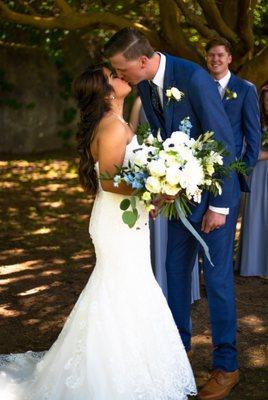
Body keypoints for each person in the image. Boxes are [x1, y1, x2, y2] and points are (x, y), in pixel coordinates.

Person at [0, 66, 196, 399]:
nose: (124, 76)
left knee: (127, 286)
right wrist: (156, 189)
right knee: (120, 287)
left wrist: (151, 189)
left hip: (126, 221)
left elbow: (122, 176)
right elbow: (108, 181)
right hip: (116, 225)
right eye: (116, 76)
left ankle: (134, 367)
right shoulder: (111, 128)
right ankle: (110, 376)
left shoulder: (117, 124)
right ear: (107, 92)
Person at [105, 27, 241, 400]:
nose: (121, 78)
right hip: (178, 199)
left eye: (122, 70)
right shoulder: (147, 87)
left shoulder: (193, 78)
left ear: (143, 61)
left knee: (216, 284)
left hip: (213, 200)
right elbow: (164, 140)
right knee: (174, 273)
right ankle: (177, 354)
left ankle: (226, 367)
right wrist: (160, 188)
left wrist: (219, 207)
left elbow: (223, 141)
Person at [130, 97, 201, 302]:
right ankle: (155, 288)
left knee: (181, 232)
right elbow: (133, 135)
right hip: (152, 171)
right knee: (155, 229)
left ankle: (182, 290)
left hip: (180, 171)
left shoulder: (181, 97)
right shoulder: (139, 102)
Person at [236, 84, 268, 277]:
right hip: (258, 173)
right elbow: (249, 150)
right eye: (265, 99)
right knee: (257, 214)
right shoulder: (255, 122)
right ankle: (254, 264)